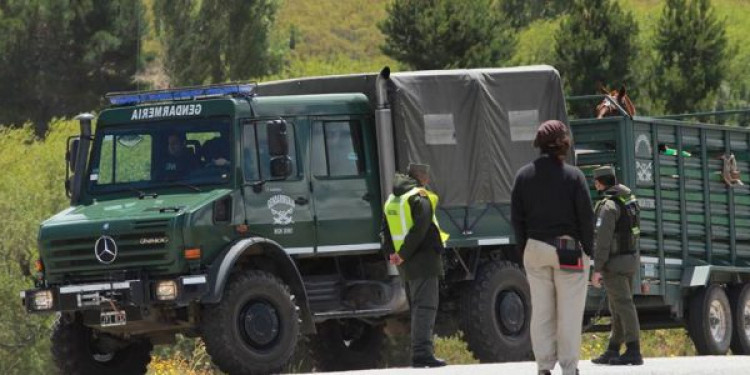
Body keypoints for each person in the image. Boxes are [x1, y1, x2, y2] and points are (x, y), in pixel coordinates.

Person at [510, 120, 594, 375]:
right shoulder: (574, 176)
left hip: (535, 250)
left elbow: (517, 219)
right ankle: (569, 369)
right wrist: (589, 251)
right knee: (568, 314)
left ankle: (544, 368)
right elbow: (586, 218)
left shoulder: (523, 176)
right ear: (563, 143)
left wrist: (525, 249)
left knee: (542, 313)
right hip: (568, 251)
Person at [382, 163, 450, 368]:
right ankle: (422, 354)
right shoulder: (419, 196)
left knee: (417, 307)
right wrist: (402, 253)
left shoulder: (393, 198)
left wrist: (392, 254)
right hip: (424, 262)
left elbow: (384, 230)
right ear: (423, 178)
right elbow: (421, 228)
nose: (428, 181)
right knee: (426, 307)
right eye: (427, 177)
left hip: (405, 265)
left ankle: (420, 352)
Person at [590, 166, 643, 366]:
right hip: (629, 259)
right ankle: (613, 348)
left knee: (623, 305)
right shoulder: (628, 199)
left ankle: (633, 349)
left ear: (599, 183)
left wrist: (597, 268)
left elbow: (603, 241)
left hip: (614, 263)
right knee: (618, 306)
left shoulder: (608, 206)